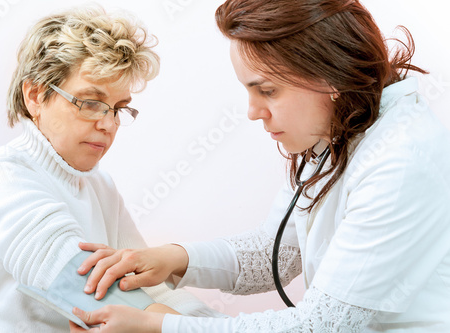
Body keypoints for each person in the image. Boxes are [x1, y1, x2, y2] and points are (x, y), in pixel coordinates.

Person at [68, 0, 450, 332]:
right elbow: (279, 254)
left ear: (332, 73)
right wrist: (174, 259)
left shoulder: (400, 162)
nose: (253, 112)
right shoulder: (336, 132)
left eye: (267, 90)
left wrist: (160, 326)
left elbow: (320, 327)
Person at [0, 6, 223, 332]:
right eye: (90, 102)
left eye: (118, 109)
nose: (108, 124)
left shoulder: (99, 185)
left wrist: (226, 326)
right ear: (35, 95)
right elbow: (99, 297)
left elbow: (150, 287)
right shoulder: (5, 179)